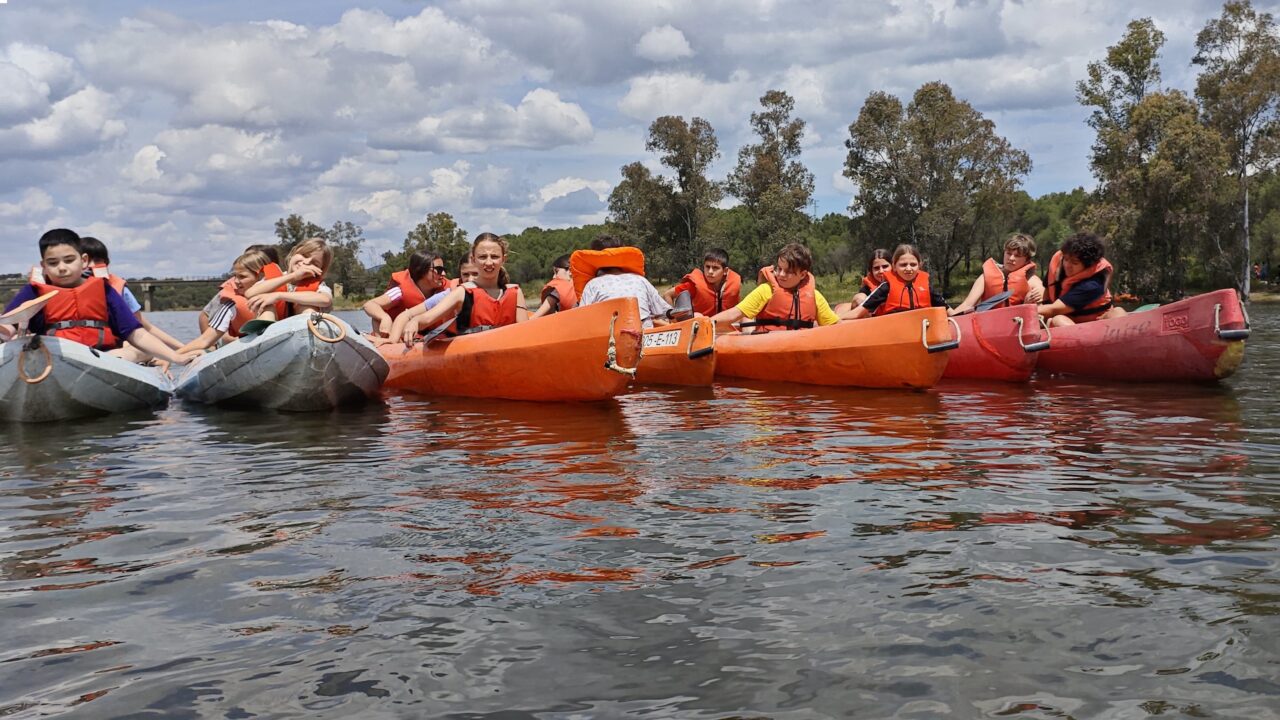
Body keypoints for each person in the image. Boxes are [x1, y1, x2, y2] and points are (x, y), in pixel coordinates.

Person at [0, 228, 198, 366]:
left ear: (84, 261)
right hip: (54, 356)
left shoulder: (104, 290)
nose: (62, 268)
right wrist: (6, 330)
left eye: (69, 260)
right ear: (43, 266)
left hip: (106, 357)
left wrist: (176, 358)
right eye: (53, 263)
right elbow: (9, 326)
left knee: (135, 351)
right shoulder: (33, 292)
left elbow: (136, 333)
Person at [387, 233, 528, 344]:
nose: (489, 262)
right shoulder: (461, 292)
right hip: (469, 357)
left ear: (504, 259)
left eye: (495, 256)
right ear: (473, 260)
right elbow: (427, 318)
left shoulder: (515, 293)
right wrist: (414, 322)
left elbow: (525, 334)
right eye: (483, 257)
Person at [77, 236, 186, 355]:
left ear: (106, 263)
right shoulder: (62, 286)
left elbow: (145, 328)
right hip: (77, 347)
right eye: (86, 260)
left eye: (97, 260)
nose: (91, 265)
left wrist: (182, 349)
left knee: (139, 349)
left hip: (115, 350)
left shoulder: (117, 288)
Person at [710, 242, 840, 332]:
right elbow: (734, 314)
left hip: (801, 350)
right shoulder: (766, 290)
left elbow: (835, 326)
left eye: (788, 271)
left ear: (803, 274)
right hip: (769, 348)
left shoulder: (814, 296)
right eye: (779, 269)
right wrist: (705, 323)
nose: (781, 275)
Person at [176, 250, 274, 353]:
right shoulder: (230, 306)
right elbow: (205, 340)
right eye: (235, 276)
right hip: (232, 344)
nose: (235, 281)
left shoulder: (283, 294)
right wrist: (174, 356)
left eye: (242, 276)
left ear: (262, 276)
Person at [572, 235, 676, 328]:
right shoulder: (640, 280)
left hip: (612, 342)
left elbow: (583, 321)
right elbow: (664, 311)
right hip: (645, 336)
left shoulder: (593, 285)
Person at [1039, 232, 1127, 326]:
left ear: (1088, 265)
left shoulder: (1094, 283)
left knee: (1118, 312)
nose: (1067, 265)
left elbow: (1054, 309)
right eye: (1066, 259)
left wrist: (1027, 310)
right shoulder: (1059, 261)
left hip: (1099, 321)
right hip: (1067, 320)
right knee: (1058, 319)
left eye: (1075, 262)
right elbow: (1048, 290)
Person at [842, 244, 948, 319]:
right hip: (884, 325)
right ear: (895, 266)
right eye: (903, 265)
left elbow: (948, 310)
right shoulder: (885, 287)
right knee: (859, 298)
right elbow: (858, 312)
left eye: (913, 265)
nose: (908, 268)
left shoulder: (926, 286)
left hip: (922, 327)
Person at [949, 233, 1045, 315]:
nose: (1011, 258)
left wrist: (1027, 305)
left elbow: (1041, 313)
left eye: (1017, 256)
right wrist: (948, 322)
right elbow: (967, 305)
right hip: (990, 327)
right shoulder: (984, 278)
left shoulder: (1034, 282)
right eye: (1008, 253)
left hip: (1019, 326)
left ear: (1027, 260)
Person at [363, 250, 447, 337]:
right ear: (422, 270)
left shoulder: (447, 292)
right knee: (377, 316)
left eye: (444, 269)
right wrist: (384, 318)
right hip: (395, 337)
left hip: (427, 336)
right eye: (439, 270)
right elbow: (370, 304)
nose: (444, 274)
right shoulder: (399, 292)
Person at [199, 244, 280, 334]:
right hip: (233, 337)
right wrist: (214, 345)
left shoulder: (286, 285)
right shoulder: (231, 290)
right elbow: (205, 316)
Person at [244, 238, 332, 320]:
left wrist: (278, 296)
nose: (306, 262)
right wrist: (294, 276)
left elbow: (325, 299)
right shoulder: (273, 279)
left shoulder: (320, 286)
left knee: (308, 307)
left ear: (320, 270)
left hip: (302, 326)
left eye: (314, 263)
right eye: (304, 255)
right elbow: (249, 293)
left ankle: (308, 330)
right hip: (273, 325)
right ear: (294, 253)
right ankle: (265, 328)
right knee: (266, 304)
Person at [663, 248, 741, 317]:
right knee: (698, 316)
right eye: (707, 267)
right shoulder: (694, 285)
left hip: (727, 327)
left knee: (746, 315)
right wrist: (672, 319)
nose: (710, 271)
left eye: (715, 268)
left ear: (725, 271)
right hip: (700, 327)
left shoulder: (733, 285)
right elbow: (668, 294)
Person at [833, 249, 891, 314]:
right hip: (872, 319)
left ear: (893, 266)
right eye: (876, 268)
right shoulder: (866, 289)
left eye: (885, 266)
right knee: (859, 298)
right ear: (871, 271)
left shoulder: (902, 282)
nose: (881, 271)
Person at [531, 254, 577, 319]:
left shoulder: (558, 290)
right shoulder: (587, 287)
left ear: (570, 271)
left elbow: (534, 318)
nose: (554, 276)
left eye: (556, 272)